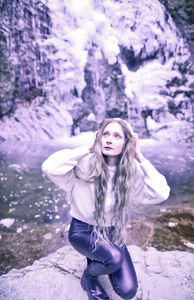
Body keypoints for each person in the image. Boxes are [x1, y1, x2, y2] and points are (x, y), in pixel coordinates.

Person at [42, 118, 170, 300]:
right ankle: (89, 277)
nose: (109, 139)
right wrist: (86, 148)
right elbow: (49, 168)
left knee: (128, 291)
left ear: (127, 143)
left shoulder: (130, 173)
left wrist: (139, 156)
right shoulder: (84, 163)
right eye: (106, 134)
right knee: (114, 259)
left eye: (117, 136)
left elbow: (161, 193)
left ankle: (101, 255)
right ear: (98, 137)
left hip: (112, 233)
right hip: (82, 231)